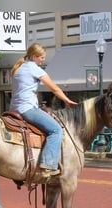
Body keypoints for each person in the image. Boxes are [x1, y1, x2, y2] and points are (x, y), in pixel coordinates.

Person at [10, 43, 78, 177]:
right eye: (41, 57)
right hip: (27, 108)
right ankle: (47, 165)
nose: (43, 60)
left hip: (14, 108)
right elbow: (54, 88)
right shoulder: (34, 68)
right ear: (34, 57)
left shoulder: (18, 68)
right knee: (56, 130)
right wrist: (67, 100)